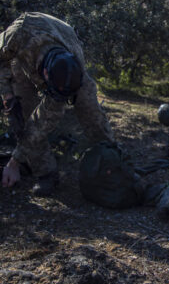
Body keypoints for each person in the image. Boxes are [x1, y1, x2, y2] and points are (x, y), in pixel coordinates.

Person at [1, 12, 114, 196]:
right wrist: (7, 95)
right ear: (45, 73)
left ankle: (110, 159)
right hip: (22, 62)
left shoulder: (74, 62)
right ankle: (45, 173)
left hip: (63, 52)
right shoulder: (18, 35)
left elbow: (44, 121)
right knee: (25, 113)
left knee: (89, 107)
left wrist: (13, 161)